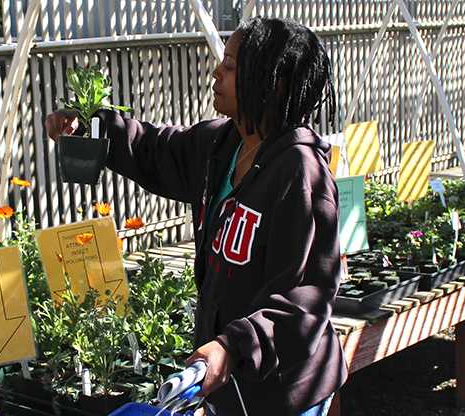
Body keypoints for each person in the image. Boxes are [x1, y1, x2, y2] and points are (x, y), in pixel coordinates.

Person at [45, 17, 346, 416]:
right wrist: (93, 125)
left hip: (284, 391)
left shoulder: (299, 174)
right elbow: (153, 149)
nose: (216, 72)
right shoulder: (222, 146)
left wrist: (234, 345)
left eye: (232, 65)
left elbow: (303, 297)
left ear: (272, 83)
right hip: (228, 380)